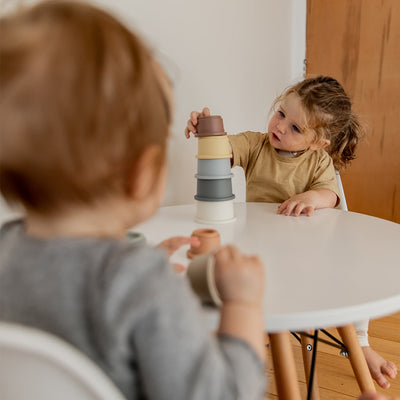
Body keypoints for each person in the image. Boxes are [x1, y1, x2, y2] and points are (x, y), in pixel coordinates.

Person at [0, 1, 267, 399]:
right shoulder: (140, 283)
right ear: (142, 174)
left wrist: (131, 260)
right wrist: (242, 304)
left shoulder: (6, 250)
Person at [185, 77, 397, 389]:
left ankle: (362, 344)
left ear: (317, 143)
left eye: (296, 128)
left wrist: (312, 197)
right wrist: (207, 130)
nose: (281, 127)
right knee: (222, 274)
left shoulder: (318, 162)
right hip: (262, 249)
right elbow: (223, 150)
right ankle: (237, 339)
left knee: (354, 283)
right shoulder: (256, 144)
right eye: (281, 113)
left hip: (308, 256)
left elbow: (330, 195)